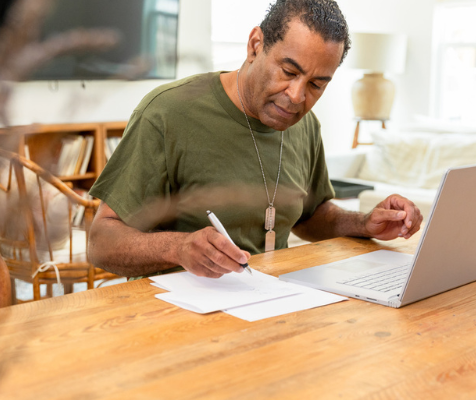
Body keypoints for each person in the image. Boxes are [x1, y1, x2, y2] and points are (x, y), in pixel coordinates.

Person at [88, 0, 422, 279]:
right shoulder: (166, 113)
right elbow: (100, 242)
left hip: (272, 304)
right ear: (255, 45)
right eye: (288, 72)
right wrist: (177, 248)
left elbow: (310, 216)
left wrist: (364, 223)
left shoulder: (306, 127)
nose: (296, 96)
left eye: (316, 85)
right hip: (174, 316)